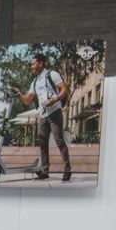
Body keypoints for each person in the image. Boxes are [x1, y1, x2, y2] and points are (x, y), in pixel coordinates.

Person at [12, 53, 72, 182]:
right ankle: (45, 171)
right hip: (43, 114)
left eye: (33, 63)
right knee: (43, 143)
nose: (31, 66)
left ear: (40, 63)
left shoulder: (52, 74)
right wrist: (19, 94)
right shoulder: (35, 82)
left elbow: (64, 89)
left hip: (55, 112)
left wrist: (55, 99)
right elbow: (27, 100)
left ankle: (67, 171)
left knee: (59, 141)